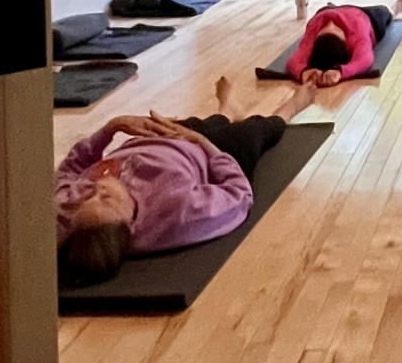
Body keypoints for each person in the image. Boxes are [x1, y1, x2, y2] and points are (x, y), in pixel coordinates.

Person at [55, 75, 314, 284]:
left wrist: (111, 127)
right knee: (257, 129)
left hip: (155, 138)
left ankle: (225, 110)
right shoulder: (177, 212)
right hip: (209, 151)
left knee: (206, 121)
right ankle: (291, 107)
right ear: (130, 225)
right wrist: (203, 143)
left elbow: (69, 169)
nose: (98, 188)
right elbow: (239, 194)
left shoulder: (73, 211)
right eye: (107, 198)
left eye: (89, 197)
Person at [284, 0, 402, 86]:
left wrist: (302, 72)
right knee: (384, 11)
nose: (331, 23)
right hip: (367, 16)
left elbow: (293, 61)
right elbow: (364, 59)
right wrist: (340, 72)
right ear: (347, 44)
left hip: (327, 11)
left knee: (326, 11)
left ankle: (336, 6)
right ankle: (393, 10)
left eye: (326, 28)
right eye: (337, 30)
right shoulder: (357, 33)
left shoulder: (314, 28)